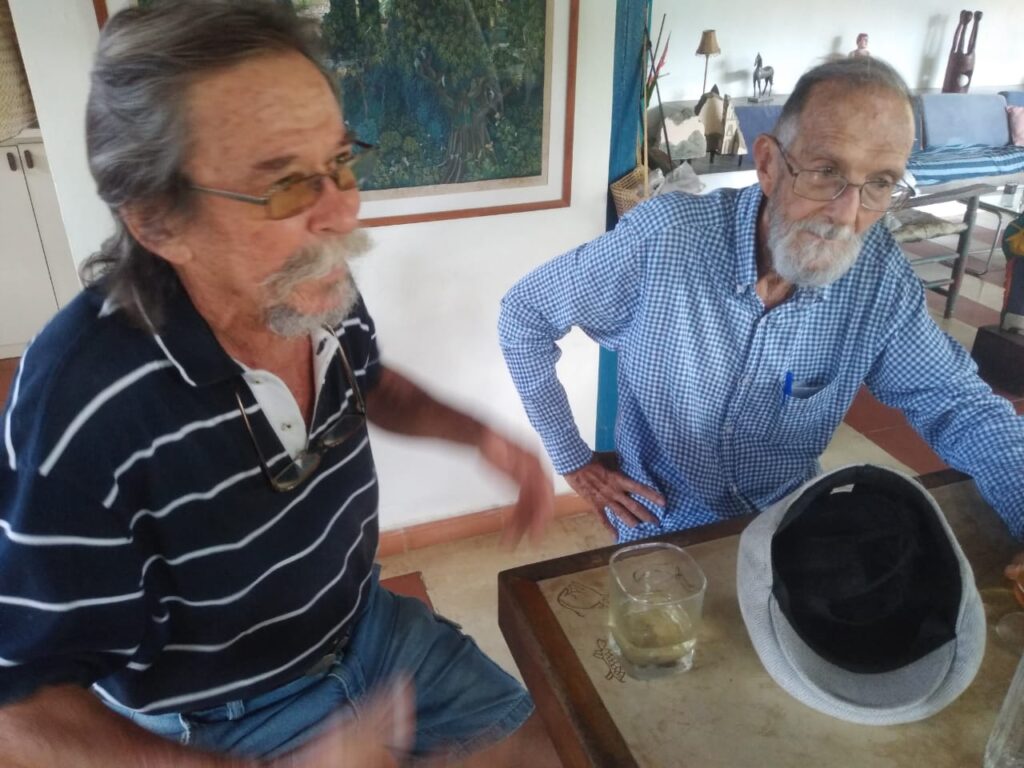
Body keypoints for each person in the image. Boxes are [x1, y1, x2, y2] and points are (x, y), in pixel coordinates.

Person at [0, 2, 559, 766]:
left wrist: (479, 437)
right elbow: (21, 709)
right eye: (286, 184)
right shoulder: (80, 403)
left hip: (371, 633)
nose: (342, 211)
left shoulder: (307, 284)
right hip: (220, 722)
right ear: (159, 222)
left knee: (561, 747)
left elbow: (368, 382)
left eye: (340, 163)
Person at [499, 56, 1024, 545]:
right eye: (826, 172)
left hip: (787, 526)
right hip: (661, 523)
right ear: (769, 164)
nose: (846, 214)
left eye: (879, 183)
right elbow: (524, 315)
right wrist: (573, 461)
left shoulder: (876, 276)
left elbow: (960, 405)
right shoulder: (666, 240)